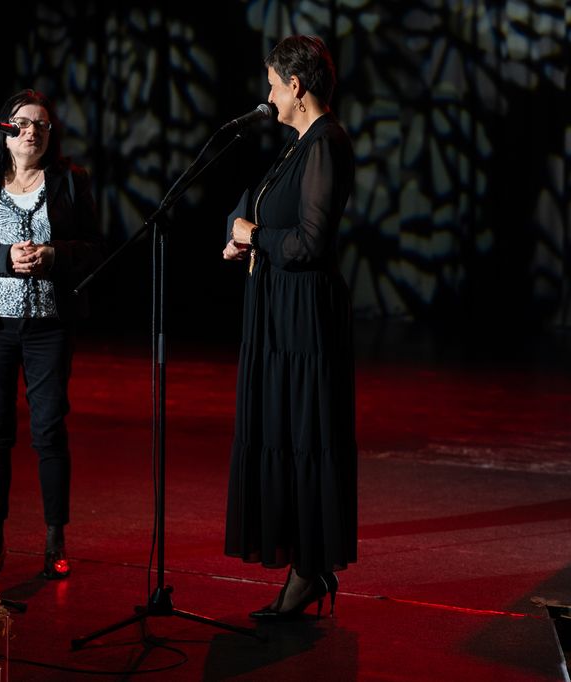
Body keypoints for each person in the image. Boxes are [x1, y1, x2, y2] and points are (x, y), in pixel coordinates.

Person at [222, 35, 357, 620]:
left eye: (274, 85)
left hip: (304, 320)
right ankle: (304, 565)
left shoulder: (325, 144)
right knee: (281, 428)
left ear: (296, 86)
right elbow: (253, 204)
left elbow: (309, 242)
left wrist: (253, 236)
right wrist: (238, 233)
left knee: (304, 436)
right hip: (276, 313)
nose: (269, 95)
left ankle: (310, 570)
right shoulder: (296, 145)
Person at [0, 89, 103, 581]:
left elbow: (94, 249)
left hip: (48, 325)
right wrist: (4, 257)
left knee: (49, 430)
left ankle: (55, 540)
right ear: (4, 131)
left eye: (42, 125)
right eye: (22, 123)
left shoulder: (70, 181)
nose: (32, 131)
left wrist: (54, 255)